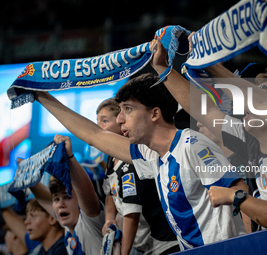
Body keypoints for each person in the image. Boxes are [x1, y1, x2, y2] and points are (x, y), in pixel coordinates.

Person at [34, 73, 247, 250]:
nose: (119, 119)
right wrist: (41, 96)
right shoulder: (155, 154)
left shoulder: (193, 145)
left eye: (128, 109)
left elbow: (241, 195)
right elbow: (95, 136)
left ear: (154, 113)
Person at [150, 38, 267, 229]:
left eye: (262, 95)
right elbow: (204, 110)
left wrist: (235, 197)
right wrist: (163, 68)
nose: (246, 103)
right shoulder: (250, 140)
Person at [97, 98, 180, 254]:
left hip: (164, 244)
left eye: (105, 121)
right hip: (144, 246)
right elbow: (111, 193)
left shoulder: (131, 164)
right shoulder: (110, 158)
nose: (99, 127)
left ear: (121, 122)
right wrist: (109, 219)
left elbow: (131, 216)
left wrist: (123, 253)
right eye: (98, 121)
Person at [27, 134, 106, 254]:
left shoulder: (91, 223)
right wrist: (27, 176)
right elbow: (45, 200)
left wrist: (70, 158)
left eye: (67, 197)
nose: (60, 205)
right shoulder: (68, 227)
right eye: (56, 199)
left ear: (79, 200)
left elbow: (85, 191)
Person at [1, 199, 66, 255]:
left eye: (33, 216)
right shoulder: (41, 249)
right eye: (27, 217)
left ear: (52, 218)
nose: (26, 222)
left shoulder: (64, 248)